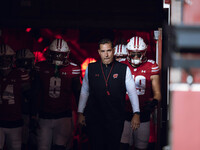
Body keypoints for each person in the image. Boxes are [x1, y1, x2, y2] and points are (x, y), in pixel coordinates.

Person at [77, 38, 140, 150]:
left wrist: (136, 113)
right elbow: (84, 91)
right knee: (96, 146)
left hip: (115, 118)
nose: (106, 55)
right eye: (103, 51)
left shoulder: (123, 69)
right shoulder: (91, 68)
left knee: (113, 147)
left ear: (114, 51)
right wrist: (80, 112)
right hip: (95, 118)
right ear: (98, 52)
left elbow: (132, 92)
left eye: (109, 51)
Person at [33, 38, 81, 150]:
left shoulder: (72, 69)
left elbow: (78, 93)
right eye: (55, 54)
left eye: (60, 54)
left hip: (63, 115)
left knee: (59, 147)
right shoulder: (41, 67)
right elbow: (35, 93)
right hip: (45, 115)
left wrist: (81, 114)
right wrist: (33, 114)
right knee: (43, 147)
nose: (58, 58)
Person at [120, 36, 161, 150]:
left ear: (144, 52)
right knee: (123, 146)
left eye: (139, 53)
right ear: (128, 53)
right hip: (125, 113)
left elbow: (157, 93)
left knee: (141, 147)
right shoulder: (121, 65)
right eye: (133, 54)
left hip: (143, 114)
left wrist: (153, 103)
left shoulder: (151, 66)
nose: (136, 56)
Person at [0, 44, 32, 150]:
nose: (4, 61)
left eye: (6, 58)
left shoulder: (19, 74)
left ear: (12, 59)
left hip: (15, 121)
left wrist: (32, 114)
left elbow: (29, 97)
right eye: (2, 58)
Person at [15, 48, 36, 150]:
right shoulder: (14, 74)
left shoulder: (36, 74)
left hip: (34, 112)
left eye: (27, 62)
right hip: (19, 112)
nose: (25, 66)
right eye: (22, 62)